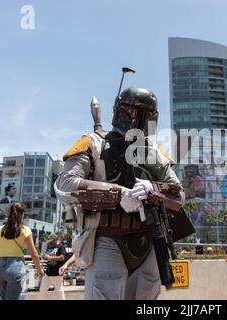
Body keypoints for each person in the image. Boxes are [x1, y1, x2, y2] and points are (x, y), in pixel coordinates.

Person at [56, 86, 186, 300]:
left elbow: (179, 197)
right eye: (134, 112)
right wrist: (118, 194)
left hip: (150, 240)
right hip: (107, 240)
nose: (139, 119)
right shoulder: (93, 143)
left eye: (146, 114)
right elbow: (64, 185)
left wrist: (154, 191)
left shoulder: (155, 154)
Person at [0, 203, 44, 300]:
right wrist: (39, 269)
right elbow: (33, 254)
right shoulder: (25, 230)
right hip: (15, 267)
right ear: (22, 215)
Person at [38, 235, 66, 300]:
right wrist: (44, 256)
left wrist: (50, 257)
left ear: (55, 240)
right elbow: (49, 258)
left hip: (57, 274)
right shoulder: (50, 247)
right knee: (42, 290)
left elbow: (62, 257)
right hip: (47, 274)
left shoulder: (61, 246)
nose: (49, 243)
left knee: (59, 292)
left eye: (51, 241)